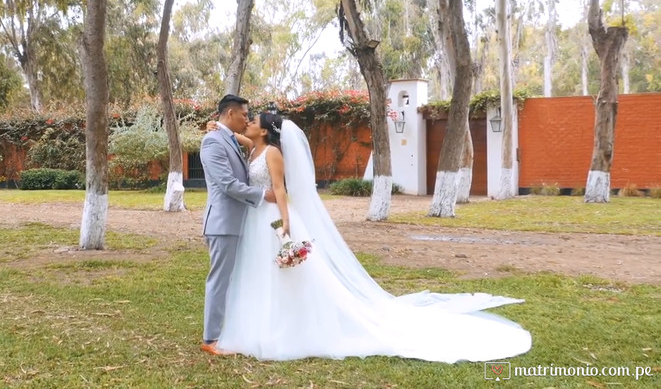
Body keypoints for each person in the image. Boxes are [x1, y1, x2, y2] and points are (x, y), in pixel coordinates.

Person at [212, 112, 532, 362]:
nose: (248, 123)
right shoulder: (254, 146)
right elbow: (238, 137)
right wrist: (220, 127)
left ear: (265, 131)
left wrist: (285, 224)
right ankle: (260, 320)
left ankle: (283, 326)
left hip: (271, 218)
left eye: (253, 122)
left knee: (280, 276)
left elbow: (280, 189)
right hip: (254, 219)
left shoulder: (272, 154)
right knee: (258, 273)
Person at [199, 95, 276, 356]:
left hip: (240, 222)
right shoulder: (212, 141)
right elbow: (227, 184)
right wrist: (263, 195)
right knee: (220, 280)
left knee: (235, 279)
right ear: (230, 114)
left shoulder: (229, 137)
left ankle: (232, 330)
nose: (247, 119)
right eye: (244, 115)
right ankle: (210, 338)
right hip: (223, 223)